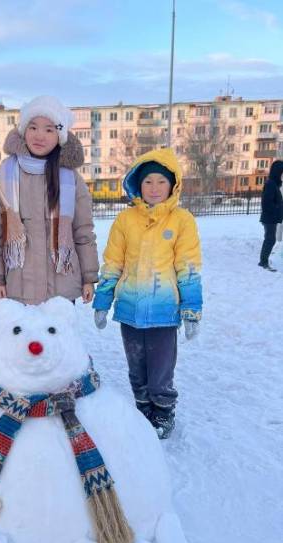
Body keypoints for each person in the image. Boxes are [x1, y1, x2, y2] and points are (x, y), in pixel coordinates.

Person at [93, 148, 202, 439]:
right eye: (148, 182)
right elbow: (113, 262)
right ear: (138, 185)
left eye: (161, 182)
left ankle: (163, 412)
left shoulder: (182, 221)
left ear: (173, 185)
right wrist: (103, 301)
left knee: (160, 370)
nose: (154, 188)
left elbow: (188, 267)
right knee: (136, 368)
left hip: (164, 313)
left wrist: (191, 310)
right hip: (129, 310)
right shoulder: (125, 220)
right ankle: (143, 410)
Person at [0, 95, 98, 305]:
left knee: (58, 339)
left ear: (59, 136)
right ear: (24, 130)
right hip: (18, 288)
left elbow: (83, 231)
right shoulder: (5, 175)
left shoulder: (71, 178)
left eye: (49, 129)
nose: (39, 135)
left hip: (61, 291)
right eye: (33, 127)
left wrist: (89, 277)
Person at [258, 159, 283, 272]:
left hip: (271, 217)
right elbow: (266, 203)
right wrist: (277, 210)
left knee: (270, 239)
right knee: (270, 239)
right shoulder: (270, 184)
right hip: (269, 218)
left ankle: (264, 261)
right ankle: (263, 262)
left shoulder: (273, 184)